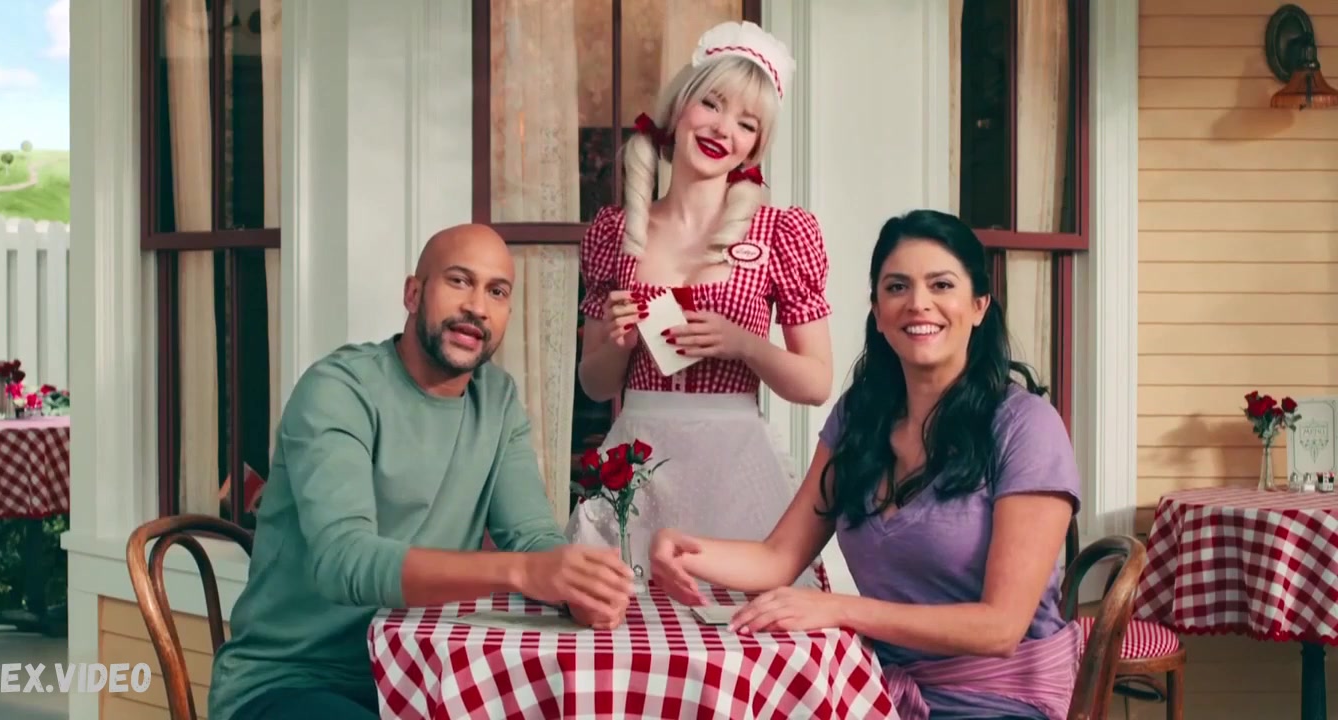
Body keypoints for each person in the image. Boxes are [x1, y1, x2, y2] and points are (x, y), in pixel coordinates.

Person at [647, 210, 1083, 720]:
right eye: (897, 287)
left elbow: (1000, 628)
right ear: (877, 311)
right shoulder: (860, 416)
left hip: (1002, 702)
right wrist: (681, 550)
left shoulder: (1026, 426)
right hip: (874, 692)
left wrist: (839, 608)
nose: (918, 303)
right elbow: (777, 557)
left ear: (979, 305)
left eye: (941, 285)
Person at [207, 224, 637, 720]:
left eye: (497, 292)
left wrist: (575, 585)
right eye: (459, 281)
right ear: (413, 294)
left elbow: (530, 535)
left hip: (426, 677)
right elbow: (343, 560)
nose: (478, 306)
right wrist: (523, 572)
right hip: (290, 682)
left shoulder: (497, 400)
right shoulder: (339, 389)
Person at [567, 20, 834, 589]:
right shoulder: (614, 230)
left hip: (736, 464)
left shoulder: (781, 233)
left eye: (747, 123)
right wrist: (618, 342)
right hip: (639, 458)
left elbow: (816, 383)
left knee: (744, 620)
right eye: (711, 104)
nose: (723, 129)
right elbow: (595, 383)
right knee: (619, 613)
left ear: (756, 146)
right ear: (678, 109)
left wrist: (745, 345)